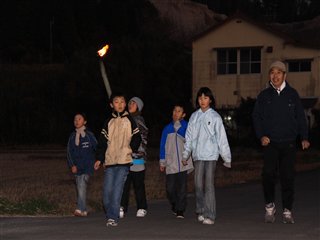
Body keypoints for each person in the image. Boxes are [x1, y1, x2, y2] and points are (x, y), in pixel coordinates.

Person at [252, 60, 310, 224]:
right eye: (272, 72)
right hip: (270, 143)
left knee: (288, 177)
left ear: (284, 75)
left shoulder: (292, 94)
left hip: (289, 143)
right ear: (269, 75)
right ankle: (270, 206)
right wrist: (261, 135)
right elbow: (256, 117)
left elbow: (300, 117)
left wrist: (304, 137)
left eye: (279, 72)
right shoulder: (264, 96)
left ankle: (287, 210)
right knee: (268, 174)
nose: (275, 76)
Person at [182, 87, 232, 225]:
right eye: (200, 98)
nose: (202, 101)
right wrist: (186, 154)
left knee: (208, 184)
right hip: (198, 155)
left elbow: (222, 138)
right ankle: (201, 209)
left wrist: (226, 157)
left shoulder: (215, 117)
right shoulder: (194, 116)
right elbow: (189, 137)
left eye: (205, 98)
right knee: (198, 184)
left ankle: (210, 214)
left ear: (210, 100)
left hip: (211, 155)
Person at [94, 93, 142, 227]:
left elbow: (137, 137)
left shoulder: (130, 120)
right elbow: (102, 142)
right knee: (107, 193)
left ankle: (112, 217)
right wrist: (99, 158)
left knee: (117, 190)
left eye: (122, 101)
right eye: (116, 102)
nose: (120, 104)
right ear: (111, 105)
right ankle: (111, 211)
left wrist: (130, 149)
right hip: (109, 161)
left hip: (124, 161)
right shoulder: (108, 121)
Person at [159, 103, 194, 219]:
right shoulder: (167, 128)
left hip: (183, 163)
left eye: (179, 111)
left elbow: (190, 141)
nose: (176, 113)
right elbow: (162, 145)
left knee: (182, 187)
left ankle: (180, 209)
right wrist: (162, 161)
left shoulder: (186, 126)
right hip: (171, 163)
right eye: (174, 111)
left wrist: (179, 126)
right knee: (170, 188)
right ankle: (174, 203)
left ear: (183, 115)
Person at [120, 97, 148, 218]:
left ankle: (142, 207)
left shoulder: (139, 120)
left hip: (136, 157)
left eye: (134, 103)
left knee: (138, 184)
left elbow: (142, 138)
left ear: (138, 107)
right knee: (124, 184)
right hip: (125, 158)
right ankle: (122, 206)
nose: (131, 104)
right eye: (130, 102)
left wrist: (134, 150)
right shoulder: (123, 119)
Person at [67, 112, 97, 217]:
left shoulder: (89, 135)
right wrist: (72, 165)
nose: (77, 121)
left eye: (79, 119)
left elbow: (96, 148)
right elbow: (69, 152)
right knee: (80, 187)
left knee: (82, 185)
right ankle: (84, 210)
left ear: (84, 121)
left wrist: (99, 160)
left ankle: (80, 209)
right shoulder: (72, 137)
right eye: (75, 119)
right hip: (77, 167)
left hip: (88, 166)